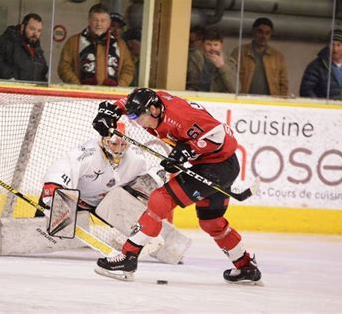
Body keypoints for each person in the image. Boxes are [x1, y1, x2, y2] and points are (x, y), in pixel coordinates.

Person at [92, 88, 262, 284]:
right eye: (132, 116)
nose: (135, 121)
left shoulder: (182, 116)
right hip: (214, 165)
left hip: (217, 166)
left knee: (160, 199)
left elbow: (219, 135)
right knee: (211, 221)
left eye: (137, 116)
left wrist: (187, 150)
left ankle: (128, 257)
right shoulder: (153, 103)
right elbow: (127, 102)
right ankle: (246, 265)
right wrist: (111, 110)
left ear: (154, 110)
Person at [35, 121, 191, 264]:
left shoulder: (136, 158)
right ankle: (37, 226)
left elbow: (138, 188)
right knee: (50, 213)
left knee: (148, 187)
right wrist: (52, 198)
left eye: (124, 144)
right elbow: (61, 170)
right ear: (104, 140)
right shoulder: (87, 153)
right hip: (76, 200)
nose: (119, 149)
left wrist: (154, 180)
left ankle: (170, 247)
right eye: (115, 144)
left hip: (107, 201)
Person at [58, 3, 134, 86]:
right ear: (89, 21)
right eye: (95, 20)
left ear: (109, 23)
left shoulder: (120, 45)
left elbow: (128, 69)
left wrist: (119, 86)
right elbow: (64, 68)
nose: (99, 24)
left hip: (112, 94)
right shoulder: (74, 41)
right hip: (81, 94)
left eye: (103, 20)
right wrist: (77, 85)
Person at [230, 17, 288, 96]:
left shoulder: (278, 57)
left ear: (270, 35)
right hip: (244, 101)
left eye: (267, 33)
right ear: (253, 32)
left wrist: (281, 103)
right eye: (260, 32)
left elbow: (284, 84)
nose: (263, 36)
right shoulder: (239, 52)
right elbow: (230, 78)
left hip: (271, 102)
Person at [0, 13, 48, 82]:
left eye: (39, 31)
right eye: (32, 29)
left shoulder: (38, 52)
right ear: (22, 27)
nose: (35, 34)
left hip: (28, 91)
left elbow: (42, 74)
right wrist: (9, 78)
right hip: (7, 90)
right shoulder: (6, 41)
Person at [186, 28, 237, 93]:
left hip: (216, 100)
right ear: (202, 44)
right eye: (209, 44)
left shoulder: (229, 62)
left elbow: (235, 89)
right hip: (193, 97)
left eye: (215, 45)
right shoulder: (192, 57)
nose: (212, 48)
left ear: (221, 45)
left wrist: (222, 66)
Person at [300, 29, 342, 100]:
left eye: (338, 45)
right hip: (324, 109)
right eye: (332, 44)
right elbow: (306, 90)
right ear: (327, 46)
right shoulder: (316, 66)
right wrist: (320, 104)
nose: (335, 49)